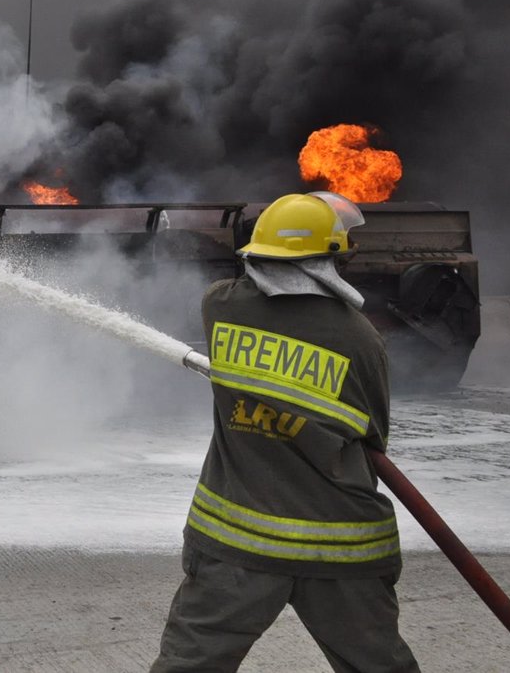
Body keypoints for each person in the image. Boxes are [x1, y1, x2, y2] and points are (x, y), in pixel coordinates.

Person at [150, 191, 420, 673]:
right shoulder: (360, 340)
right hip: (342, 547)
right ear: (330, 259)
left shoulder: (221, 308)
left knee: (189, 667)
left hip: (236, 545)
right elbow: (374, 437)